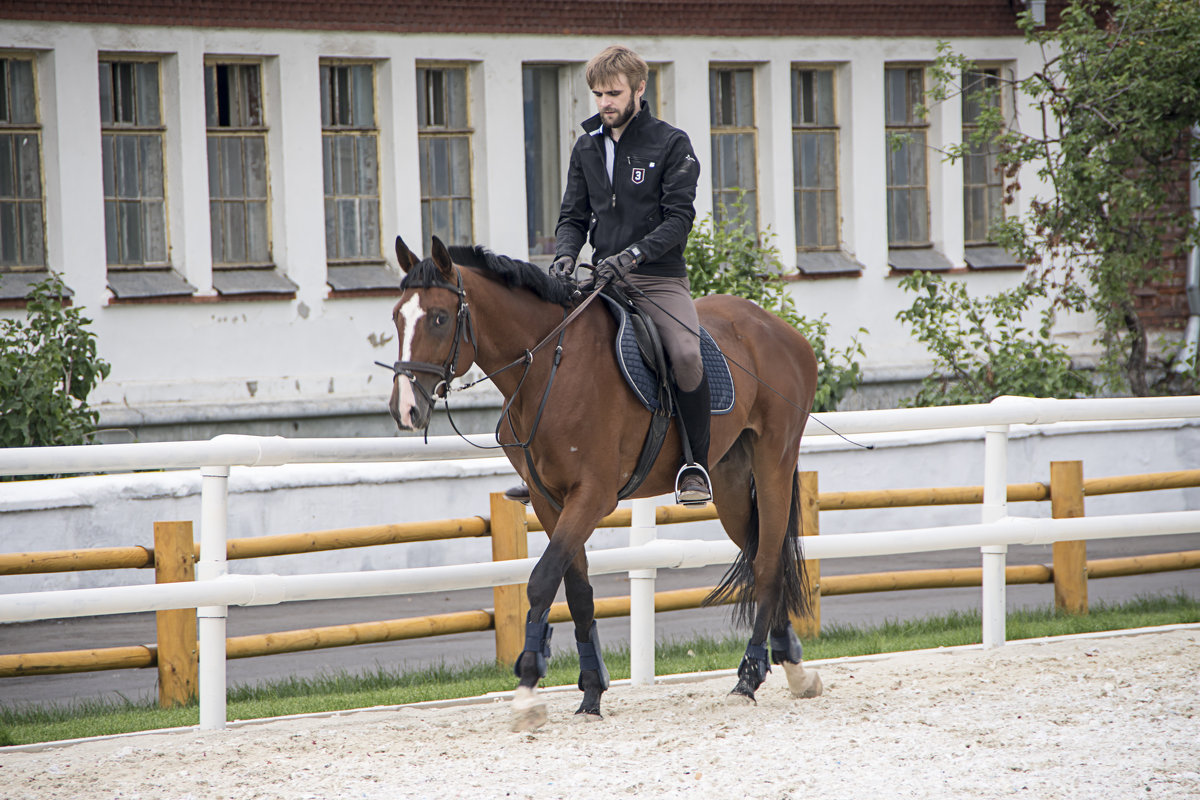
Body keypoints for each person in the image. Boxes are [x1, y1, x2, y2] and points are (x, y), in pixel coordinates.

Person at [507, 44, 710, 506]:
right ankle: (541, 465)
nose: (605, 103)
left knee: (684, 353)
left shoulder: (672, 144)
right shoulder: (586, 146)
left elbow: (678, 221)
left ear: (640, 88)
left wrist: (634, 255)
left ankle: (695, 463)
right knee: (545, 346)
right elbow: (572, 216)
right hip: (601, 278)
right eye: (598, 94)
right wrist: (563, 255)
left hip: (657, 278)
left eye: (614, 93)